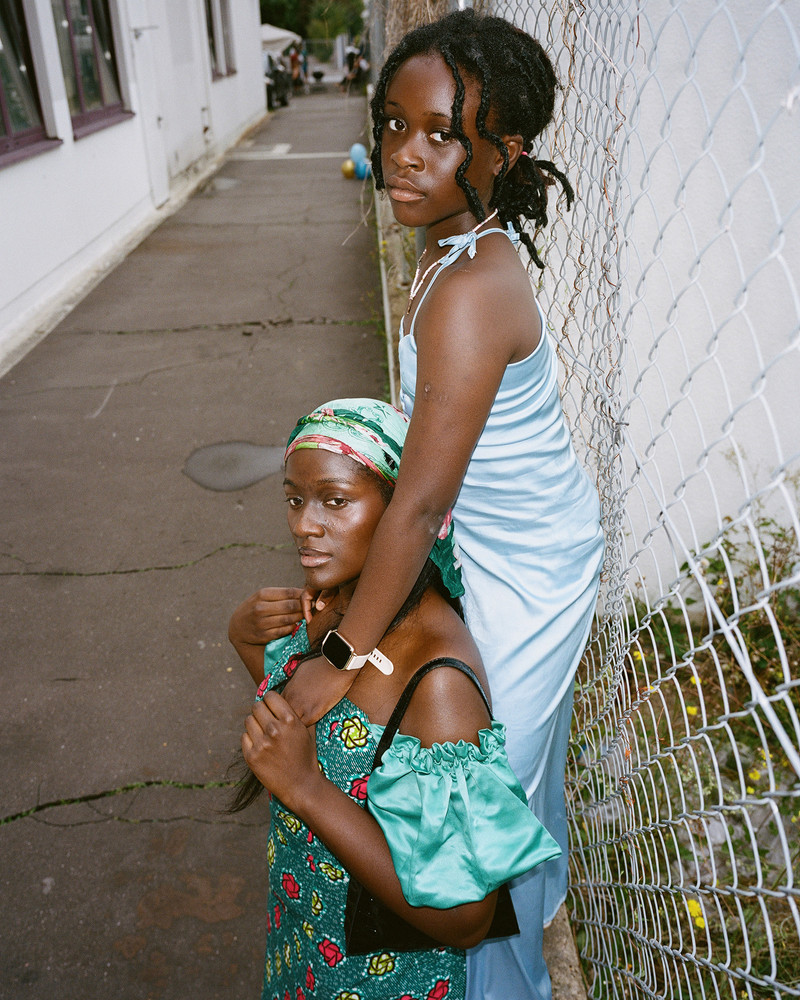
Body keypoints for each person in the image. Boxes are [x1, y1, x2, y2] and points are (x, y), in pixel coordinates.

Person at [237, 10, 605, 998]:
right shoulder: (452, 250)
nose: (401, 154)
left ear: (503, 148)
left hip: (526, 567)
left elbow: (414, 507)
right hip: (489, 541)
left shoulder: (467, 287)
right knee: (502, 780)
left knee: (483, 814)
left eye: (438, 132)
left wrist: (334, 660)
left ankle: (503, 979)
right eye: (392, 124)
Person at [228, 399, 561, 1000]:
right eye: (294, 498)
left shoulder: (436, 683)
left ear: (399, 511)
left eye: (335, 501)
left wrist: (305, 791)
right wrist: (250, 644)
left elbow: (466, 919)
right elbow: (313, 730)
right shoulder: (337, 604)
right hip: (305, 940)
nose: (304, 524)